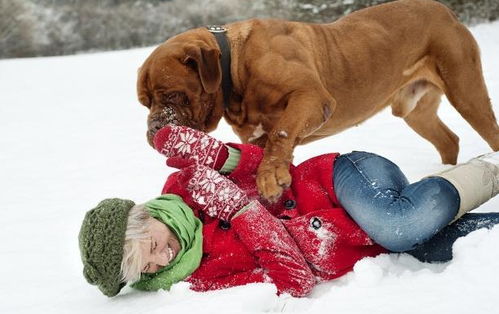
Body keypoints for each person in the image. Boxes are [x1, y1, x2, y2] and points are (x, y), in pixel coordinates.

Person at [79, 125, 499, 298]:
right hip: (365, 243)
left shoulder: (185, 184)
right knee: (478, 241)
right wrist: (242, 211)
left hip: (341, 181)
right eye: (147, 268)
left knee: (398, 222)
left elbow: (269, 170)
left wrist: (218, 155)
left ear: (146, 216)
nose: (161, 258)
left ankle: (491, 170)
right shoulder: (202, 277)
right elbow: (295, 281)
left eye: (150, 245)